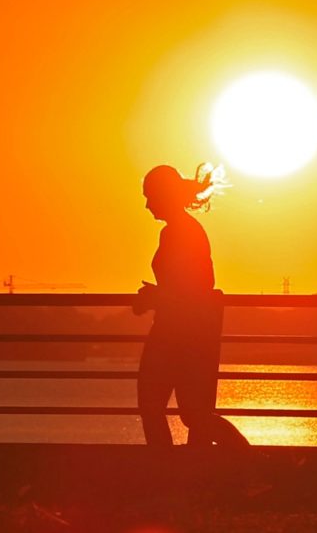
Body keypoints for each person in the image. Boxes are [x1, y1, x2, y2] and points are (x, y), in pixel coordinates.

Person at [132, 163, 250, 448]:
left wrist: (156, 297)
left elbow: (196, 286)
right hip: (180, 333)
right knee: (184, 412)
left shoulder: (181, 232)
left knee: (176, 411)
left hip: (176, 335)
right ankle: (245, 458)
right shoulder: (182, 230)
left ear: (163, 195)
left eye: (150, 196)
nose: (147, 205)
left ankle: (244, 456)